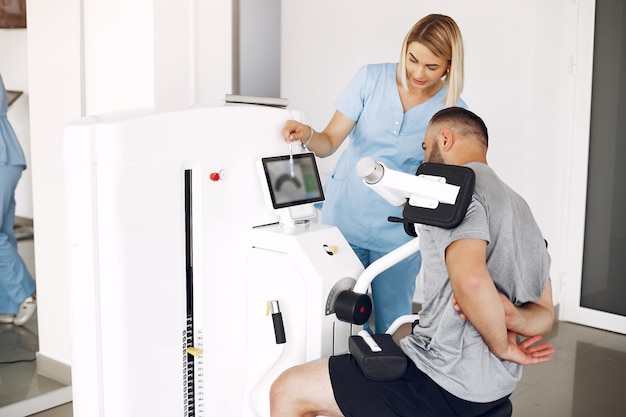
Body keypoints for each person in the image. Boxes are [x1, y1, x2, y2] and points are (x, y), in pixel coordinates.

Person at [270, 107, 555, 417]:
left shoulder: (451, 192)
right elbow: (544, 313)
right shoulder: (521, 208)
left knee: (288, 390)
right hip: (498, 384)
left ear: (444, 139)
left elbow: (471, 281)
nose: (423, 158)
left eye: (424, 147)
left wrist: (502, 344)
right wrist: (512, 317)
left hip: (443, 380)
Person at [282, 14, 467, 334]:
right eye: (413, 59)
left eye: (432, 66)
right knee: (335, 318)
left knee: (393, 319)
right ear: (405, 48)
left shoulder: (452, 110)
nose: (418, 73)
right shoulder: (371, 79)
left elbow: (445, 181)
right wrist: (307, 134)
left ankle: (387, 382)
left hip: (398, 229)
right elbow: (327, 144)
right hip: (346, 216)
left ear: (450, 65)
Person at [0, 73, 36, 326]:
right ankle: (8, 304)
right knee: (4, 232)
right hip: (7, 157)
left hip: (2, 159)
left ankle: (25, 292)